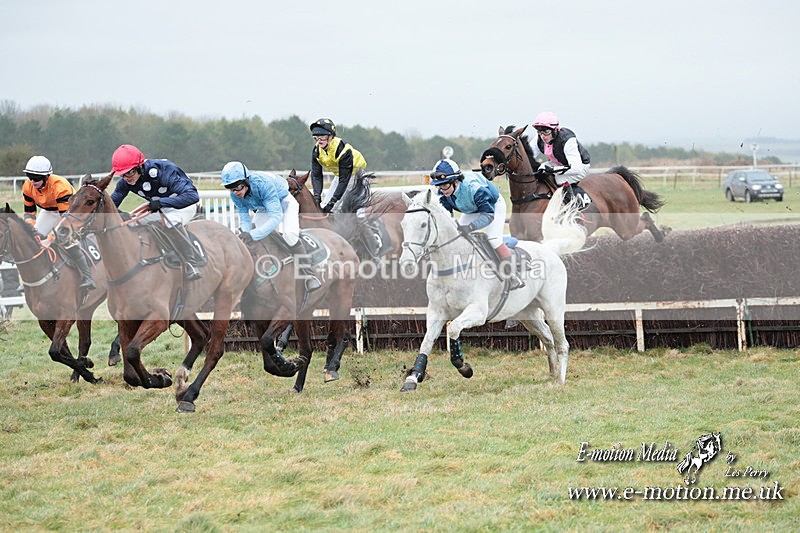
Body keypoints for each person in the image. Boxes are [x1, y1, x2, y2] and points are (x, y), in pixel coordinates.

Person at [220, 161, 321, 292]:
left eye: (238, 187)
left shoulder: (262, 185)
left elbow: (276, 217)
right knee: (255, 238)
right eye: (231, 188)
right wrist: (246, 233)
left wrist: (253, 234)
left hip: (284, 203)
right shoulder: (235, 195)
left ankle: (309, 275)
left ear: (246, 181)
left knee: (289, 236)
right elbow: (244, 219)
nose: (236, 192)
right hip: (265, 207)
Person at [109, 144, 202, 280]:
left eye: (129, 172)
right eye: (122, 175)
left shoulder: (163, 171)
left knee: (171, 222)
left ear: (140, 166)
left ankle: (191, 263)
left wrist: (161, 203)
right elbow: (111, 205)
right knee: (130, 223)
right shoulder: (125, 182)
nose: (127, 178)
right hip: (158, 206)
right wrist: (118, 214)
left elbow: (192, 196)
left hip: (184, 204)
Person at [430, 159, 524, 290]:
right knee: (457, 236)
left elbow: (488, 215)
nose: (442, 190)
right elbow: (448, 217)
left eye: (445, 185)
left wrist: (471, 227)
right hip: (471, 208)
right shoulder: (443, 192)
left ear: (455, 181)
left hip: (493, 206)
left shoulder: (475, 188)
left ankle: (513, 275)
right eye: (439, 186)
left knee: (493, 238)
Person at [22, 155, 96, 290]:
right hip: (49, 211)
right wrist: (33, 232)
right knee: (31, 240)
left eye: (36, 178)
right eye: (29, 176)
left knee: (66, 240)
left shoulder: (60, 187)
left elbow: (65, 221)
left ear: (46, 177)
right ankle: (29, 280)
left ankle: (88, 277)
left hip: (70, 214)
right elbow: (29, 213)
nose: (32, 181)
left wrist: (49, 239)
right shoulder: (27, 186)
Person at [309, 118, 367, 214]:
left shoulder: (343, 150)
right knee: (325, 208)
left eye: (322, 136)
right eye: (316, 137)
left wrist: (333, 201)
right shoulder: (316, 151)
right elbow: (316, 175)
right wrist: (317, 196)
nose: (319, 141)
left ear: (331, 136)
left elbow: (344, 180)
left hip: (357, 176)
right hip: (340, 176)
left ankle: (372, 228)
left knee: (358, 213)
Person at [531, 111, 591, 190]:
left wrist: (554, 170)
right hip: (559, 164)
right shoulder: (539, 138)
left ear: (555, 130)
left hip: (580, 168)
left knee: (558, 180)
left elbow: (576, 168)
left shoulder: (567, 140)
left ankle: (574, 200)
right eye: (540, 132)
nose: (543, 136)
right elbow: (528, 155)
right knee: (540, 171)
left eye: (546, 132)